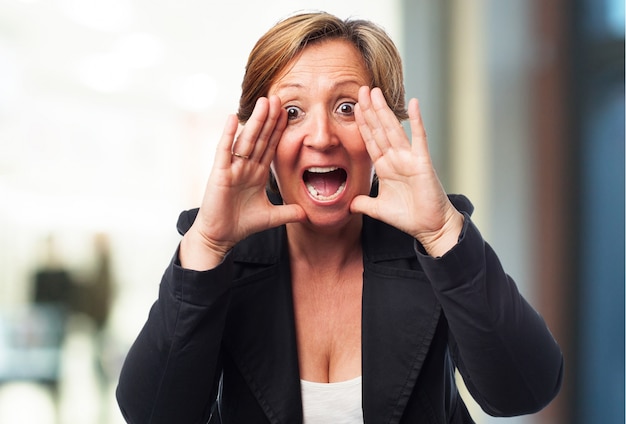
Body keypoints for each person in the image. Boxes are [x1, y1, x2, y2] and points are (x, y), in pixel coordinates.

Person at [116, 11, 563, 424]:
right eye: (291, 113)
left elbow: (523, 391)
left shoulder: (428, 250)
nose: (322, 136)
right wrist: (207, 247)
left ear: (382, 123)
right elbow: (154, 413)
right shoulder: (222, 260)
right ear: (260, 135)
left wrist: (443, 232)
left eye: (347, 108)